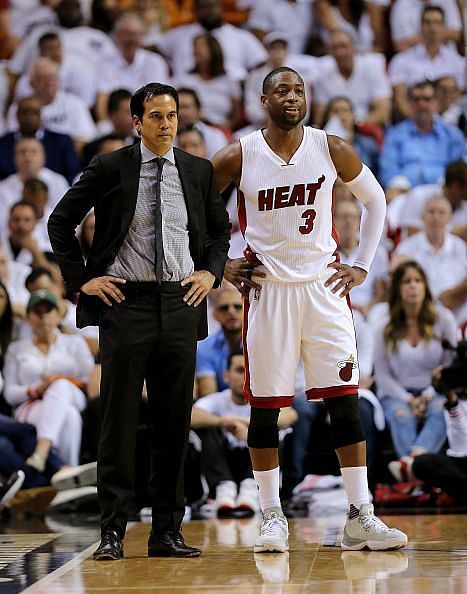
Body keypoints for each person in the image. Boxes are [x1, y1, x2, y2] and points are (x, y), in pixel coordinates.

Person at [212, 66, 407, 553]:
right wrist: (219, 261)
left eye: (299, 89)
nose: (292, 96)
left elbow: (376, 201)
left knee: (346, 401)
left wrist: (361, 263)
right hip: (268, 291)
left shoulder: (331, 146)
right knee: (267, 408)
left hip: (323, 288)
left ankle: (361, 515)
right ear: (264, 100)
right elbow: (194, 207)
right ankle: (272, 516)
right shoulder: (240, 154)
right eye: (282, 89)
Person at [47, 82, 230, 560]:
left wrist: (211, 271)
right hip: (125, 303)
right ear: (136, 123)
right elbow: (60, 221)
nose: (166, 123)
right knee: (118, 422)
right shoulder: (111, 166)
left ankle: (167, 531)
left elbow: (219, 231)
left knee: (174, 423)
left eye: (171, 115)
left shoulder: (198, 170)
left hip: (180, 303)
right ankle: (112, 531)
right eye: (155, 116)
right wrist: (81, 280)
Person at [373, 260, 457, 479]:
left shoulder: (443, 319)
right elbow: (382, 376)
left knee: (441, 410)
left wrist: (428, 396)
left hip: (437, 391)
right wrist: (410, 400)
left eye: (418, 281)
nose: (413, 286)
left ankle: (411, 464)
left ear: (426, 286)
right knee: (401, 416)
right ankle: (419, 471)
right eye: (406, 281)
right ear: (398, 289)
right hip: (397, 393)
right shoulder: (385, 324)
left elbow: (450, 365)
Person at [192, 349, 297, 516]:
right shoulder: (218, 400)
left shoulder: (265, 400)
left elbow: (291, 414)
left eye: (250, 371)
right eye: (240, 370)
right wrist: (225, 421)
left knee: (276, 428)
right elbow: (191, 416)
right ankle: (223, 487)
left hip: (254, 462)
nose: (245, 377)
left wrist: (250, 427)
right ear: (226, 376)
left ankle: (253, 488)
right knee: (207, 426)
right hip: (224, 461)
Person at [3, 289, 95, 469]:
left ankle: (41, 452)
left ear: (58, 314)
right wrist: (35, 389)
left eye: (48, 311)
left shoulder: (75, 343)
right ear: (28, 317)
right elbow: (9, 393)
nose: (43, 316)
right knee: (69, 417)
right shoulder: (16, 349)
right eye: (37, 312)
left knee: (60, 386)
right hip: (33, 403)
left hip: (74, 396)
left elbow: (89, 379)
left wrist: (59, 380)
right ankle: (69, 471)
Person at [378, 81, 464, 190]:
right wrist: (398, 184)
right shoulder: (395, 135)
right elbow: (387, 170)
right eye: (416, 99)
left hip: (442, 192)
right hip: (405, 193)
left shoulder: (453, 135)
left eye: (427, 99)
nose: (421, 104)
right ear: (409, 103)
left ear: (436, 102)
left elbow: (457, 171)